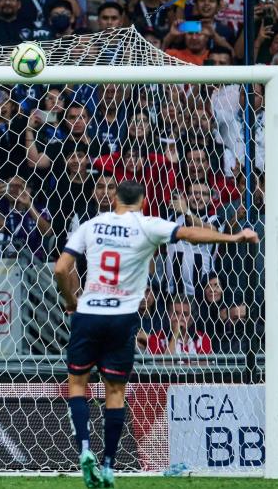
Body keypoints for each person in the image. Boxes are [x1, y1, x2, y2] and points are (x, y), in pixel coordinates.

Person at [54, 179, 258, 488]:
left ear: (114, 198)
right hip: (122, 317)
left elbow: (61, 269)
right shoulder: (148, 225)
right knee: (115, 392)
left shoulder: (90, 225)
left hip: (89, 313)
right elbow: (190, 234)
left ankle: (84, 448)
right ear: (143, 201)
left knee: (78, 384)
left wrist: (72, 301)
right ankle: (108, 465)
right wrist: (233, 237)